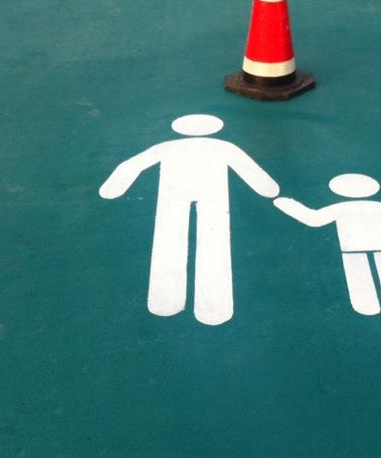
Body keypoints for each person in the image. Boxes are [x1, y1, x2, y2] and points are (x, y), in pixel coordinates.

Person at [100, 114, 279, 326]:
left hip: (173, 193)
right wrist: (268, 189)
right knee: (215, 244)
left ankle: (165, 302)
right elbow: (249, 169)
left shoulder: (167, 147)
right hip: (213, 193)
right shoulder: (223, 147)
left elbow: (132, 165)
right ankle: (214, 309)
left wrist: (114, 188)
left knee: (168, 241)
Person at [274, 173, 381, 318]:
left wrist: (288, 205)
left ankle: (367, 306)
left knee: (359, 276)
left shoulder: (339, 208)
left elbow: (313, 219)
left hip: (352, 249)